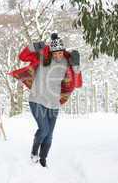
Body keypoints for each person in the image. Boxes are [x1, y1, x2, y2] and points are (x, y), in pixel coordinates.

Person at [9, 33, 82, 167]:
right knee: (44, 130)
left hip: (53, 103)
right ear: (51, 51)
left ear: (63, 51)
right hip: (37, 99)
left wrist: (76, 66)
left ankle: (43, 160)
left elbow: (76, 83)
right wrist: (33, 47)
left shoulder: (67, 62)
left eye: (60, 53)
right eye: (55, 53)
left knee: (49, 135)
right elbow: (22, 56)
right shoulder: (43, 57)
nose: (58, 55)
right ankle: (34, 152)